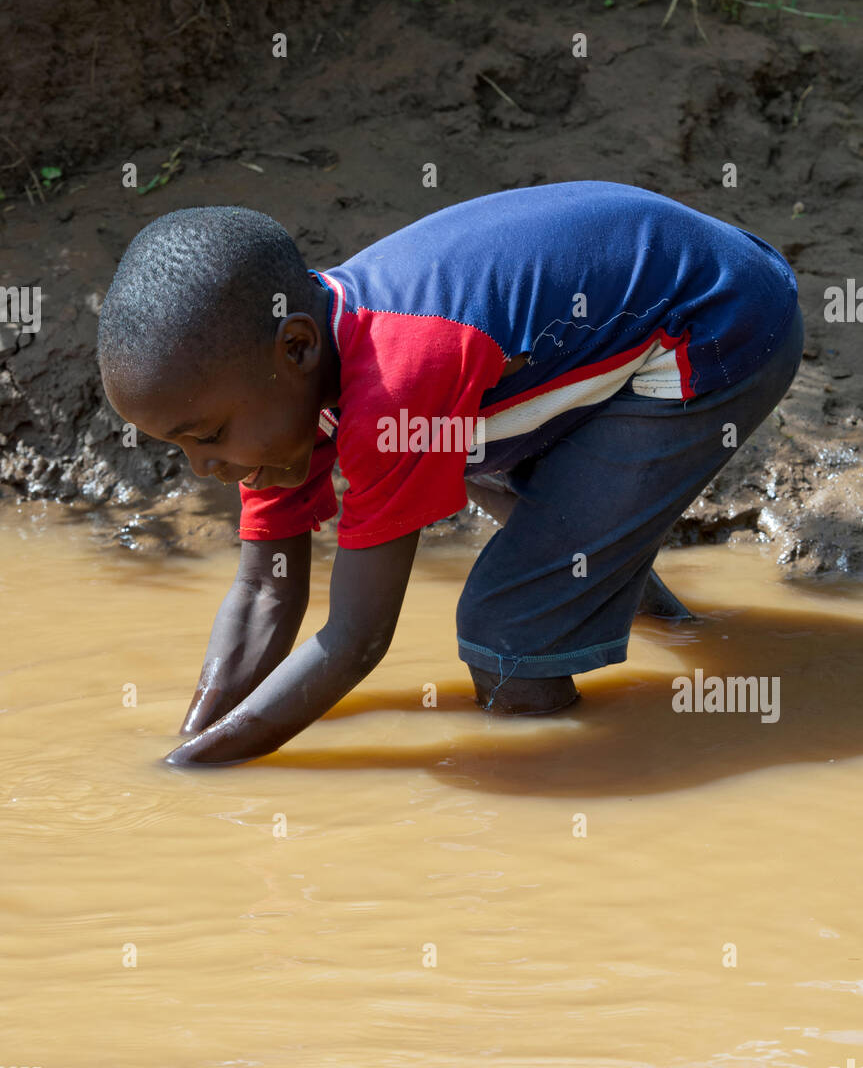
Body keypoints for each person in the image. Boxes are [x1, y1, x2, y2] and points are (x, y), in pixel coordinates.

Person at [96, 182, 802, 766]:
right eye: (181, 448)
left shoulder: (396, 382)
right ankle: (668, 625)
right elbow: (262, 595)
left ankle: (561, 792)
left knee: (508, 635)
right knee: (515, 506)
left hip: (719, 323)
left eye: (209, 437)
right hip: (603, 333)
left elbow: (357, 640)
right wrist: (194, 734)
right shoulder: (282, 376)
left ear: (298, 347)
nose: (206, 468)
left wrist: (192, 772)